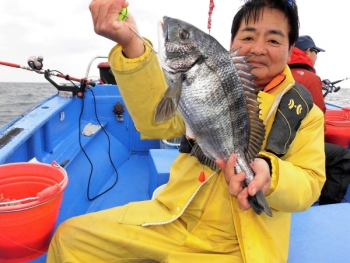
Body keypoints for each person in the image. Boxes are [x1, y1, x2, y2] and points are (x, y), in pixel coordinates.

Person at [47, 0, 326, 262]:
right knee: (69, 238)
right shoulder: (206, 78)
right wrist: (131, 42)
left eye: (274, 40)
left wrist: (270, 175)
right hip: (173, 215)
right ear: (230, 44)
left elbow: (310, 182)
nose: (258, 48)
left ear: (290, 51)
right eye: (248, 37)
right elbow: (158, 121)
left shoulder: (306, 114)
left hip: (239, 242)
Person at [288, 35, 350, 205]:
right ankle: (328, 203)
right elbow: (317, 120)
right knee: (343, 157)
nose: (316, 57)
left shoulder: (280, 70)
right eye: (316, 52)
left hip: (276, 140)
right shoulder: (311, 78)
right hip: (295, 146)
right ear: (308, 51)